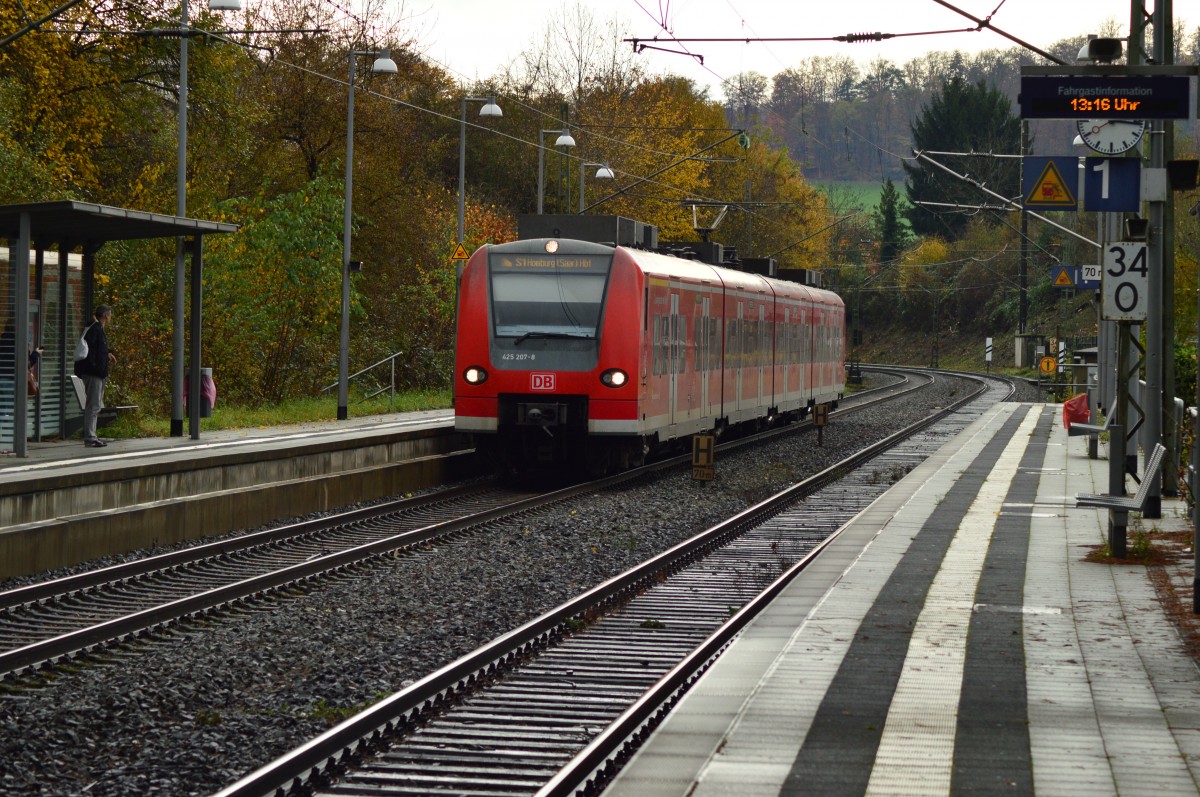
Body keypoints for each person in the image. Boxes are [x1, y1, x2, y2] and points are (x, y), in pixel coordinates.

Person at [74, 305, 116, 448]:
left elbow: (97, 349)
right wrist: (96, 368)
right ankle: (90, 437)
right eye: (109, 315)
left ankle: (92, 435)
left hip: (97, 373)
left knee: (95, 405)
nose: (110, 318)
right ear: (105, 316)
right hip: (94, 374)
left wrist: (107, 354)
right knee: (93, 406)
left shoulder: (97, 329)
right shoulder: (95, 329)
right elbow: (90, 351)